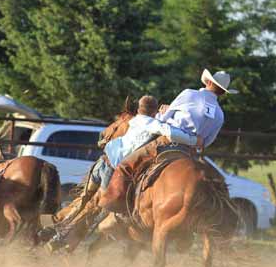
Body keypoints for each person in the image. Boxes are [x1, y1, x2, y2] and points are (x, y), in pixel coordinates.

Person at [46, 95, 200, 251]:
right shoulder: (154, 124)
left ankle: (56, 234)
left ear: (139, 109)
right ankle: (65, 239)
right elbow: (169, 131)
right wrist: (194, 140)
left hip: (103, 161)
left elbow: (154, 120)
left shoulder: (136, 120)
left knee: (83, 200)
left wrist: (162, 114)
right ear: (154, 111)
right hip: (113, 169)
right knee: (101, 209)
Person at [98, 68, 238, 214]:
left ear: (208, 82)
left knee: (125, 165)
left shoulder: (189, 94)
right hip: (188, 152)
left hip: (165, 143)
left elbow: (164, 119)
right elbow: (206, 142)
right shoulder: (220, 115)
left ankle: (112, 205)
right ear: (222, 92)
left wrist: (163, 114)